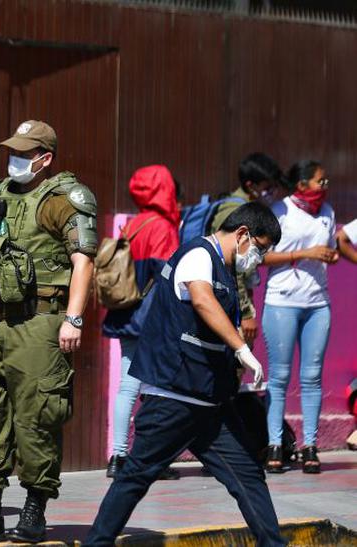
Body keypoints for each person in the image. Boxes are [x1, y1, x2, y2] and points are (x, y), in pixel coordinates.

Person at [83, 202, 286, 547]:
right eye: (261, 248)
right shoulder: (198, 255)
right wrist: (241, 347)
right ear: (242, 235)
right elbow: (203, 300)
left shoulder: (224, 267)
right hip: (173, 399)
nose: (261, 257)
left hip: (210, 403)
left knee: (248, 476)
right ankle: (96, 543)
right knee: (135, 477)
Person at [0, 120, 97, 543]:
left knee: (37, 419)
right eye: (12, 150)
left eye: (25, 153)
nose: (15, 159)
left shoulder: (64, 198)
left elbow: (83, 259)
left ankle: (34, 511)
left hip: (40, 323)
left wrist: (74, 317)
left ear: (45, 159)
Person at [101, 165, 180, 480]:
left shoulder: (134, 224)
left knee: (128, 386)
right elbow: (169, 276)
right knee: (157, 389)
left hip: (127, 313)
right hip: (153, 316)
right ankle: (149, 459)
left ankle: (118, 457)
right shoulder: (163, 226)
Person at [261, 160, 338, 474]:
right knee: (279, 378)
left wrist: (328, 256)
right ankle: (275, 444)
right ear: (302, 184)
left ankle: (310, 446)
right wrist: (303, 254)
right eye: (321, 181)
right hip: (282, 302)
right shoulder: (280, 211)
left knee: (312, 378)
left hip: (318, 304)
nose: (325, 186)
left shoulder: (328, 213)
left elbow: (330, 249)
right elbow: (261, 256)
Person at [209, 153, 285, 347]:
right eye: (267, 188)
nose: (273, 192)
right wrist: (245, 313)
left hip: (234, 298)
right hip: (228, 300)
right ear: (250, 185)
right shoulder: (234, 211)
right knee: (235, 364)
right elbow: (233, 267)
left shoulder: (248, 207)